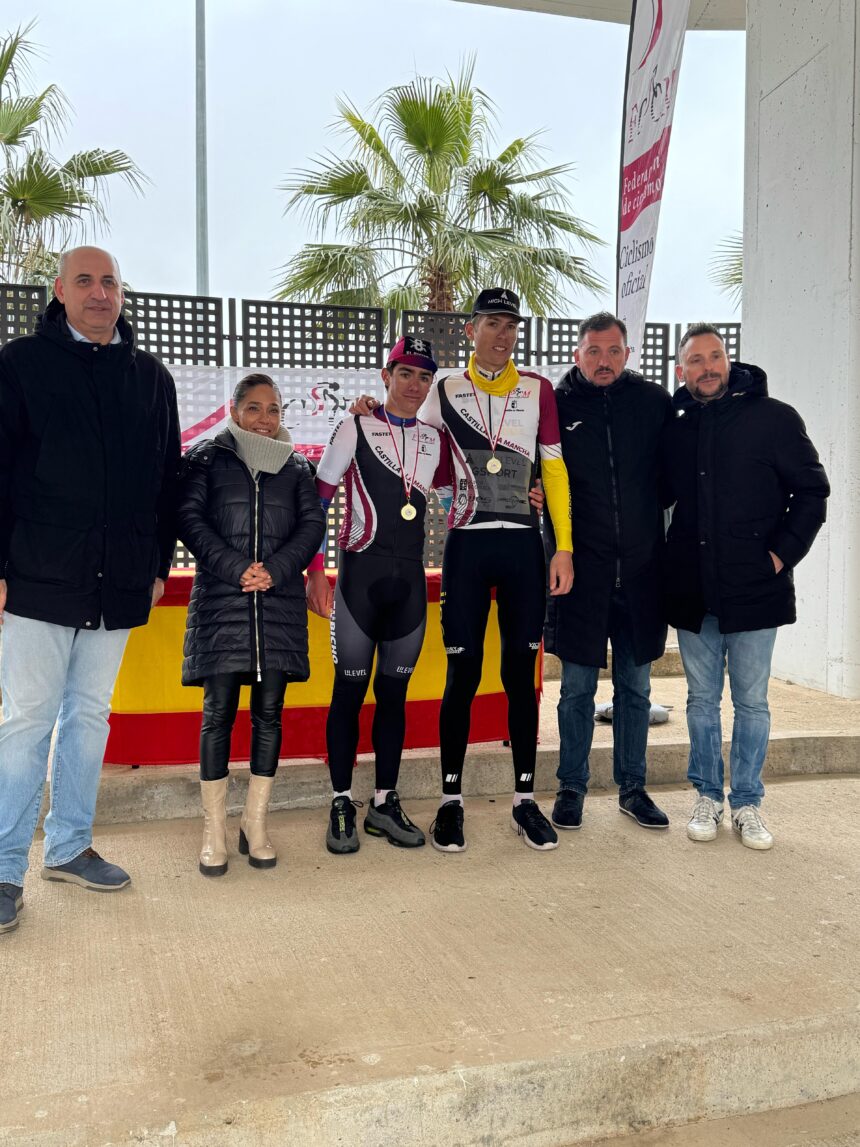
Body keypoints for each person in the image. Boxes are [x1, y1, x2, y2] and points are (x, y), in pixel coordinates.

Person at [0, 246, 180, 933]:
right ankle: (5, 867)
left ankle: (70, 844)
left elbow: (167, 479)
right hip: (38, 582)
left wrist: (157, 560)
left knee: (89, 717)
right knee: (24, 723)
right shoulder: (20, 366)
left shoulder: (150, 377)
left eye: (109, 282)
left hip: (118, 585)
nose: (100, 293)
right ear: (60, 291)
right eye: (86, 280)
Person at [662, 324, 829, 849]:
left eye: (716, 357)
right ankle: (708, 796)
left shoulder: (774, 419)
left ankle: (748, 802)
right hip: (695, 589)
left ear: (728, 362)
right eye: (696, 360)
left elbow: (812, 492)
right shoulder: (676, 426)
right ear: (681, 369)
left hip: (756, 588)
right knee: (701, 701)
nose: (707, 367)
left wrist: (780, 555)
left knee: (752, 703)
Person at [419, 288, 574, 853]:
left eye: (510, 326)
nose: (502, 335)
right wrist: (367, 409)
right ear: (470, 330)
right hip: (464, 546)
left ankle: (525, 800)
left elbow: (553, 471)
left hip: (523, 551)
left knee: (518, 678)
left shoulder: (538, 390)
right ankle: (450, 800)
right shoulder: (442, 388)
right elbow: (406, 430)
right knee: (461, 675)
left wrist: (564, 547)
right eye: (492, 324)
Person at [306, 337, 451, 854]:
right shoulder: (355, 425)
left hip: (409, 585)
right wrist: (314, 570)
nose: (414, 385)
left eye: (424, 377)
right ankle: (342, 800)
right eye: (405, 373)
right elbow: (317, 501)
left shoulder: (437, 439)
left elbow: (467, 491)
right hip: (358, 583)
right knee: (348, 694)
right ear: (386, 376)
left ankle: (384, 803)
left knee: (394, 697)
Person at [178, 373, 324, 875]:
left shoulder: (298, 466)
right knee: (217, 715)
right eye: (255, 408)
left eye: (274, 410)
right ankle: (212, 830)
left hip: (278, 608)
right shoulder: (206, 458)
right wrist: (234, 567)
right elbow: (190, 519)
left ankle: (254, 824)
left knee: (270, 716)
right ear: (235, 410)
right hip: (222, 603)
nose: (265, 418)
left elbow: (312, 526)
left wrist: (277, 571)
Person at [544, 312, 673, 832]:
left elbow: (676, 470)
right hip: (581, 571)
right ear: (578, 353)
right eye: (594, 351)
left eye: (613, 351)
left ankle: (633, 788)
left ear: (627, 353)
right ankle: (571, 785)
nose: (604, 361)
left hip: (642, 572)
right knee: (576, 688)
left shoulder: (653, 403)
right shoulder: (556, 405)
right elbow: (539, 474)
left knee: (636, 690)